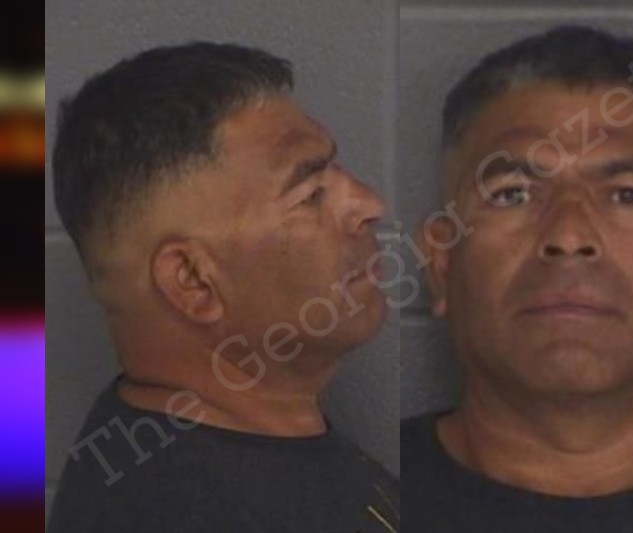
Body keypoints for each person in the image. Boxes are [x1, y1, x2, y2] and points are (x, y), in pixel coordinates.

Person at [403, 26, 633, 532]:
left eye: (628, 194)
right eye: (512, 194)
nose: (569, 236)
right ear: (441, 263)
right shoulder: (362, 496)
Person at [48, 42, 398, 532]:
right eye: (310, 194)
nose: (370, 204)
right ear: (193, 281)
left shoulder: (244, 450)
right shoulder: (183, 512)